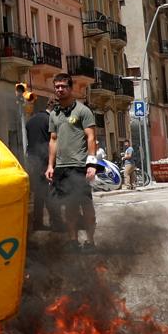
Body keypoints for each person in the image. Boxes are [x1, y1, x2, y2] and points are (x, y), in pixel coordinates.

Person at [46, 72, 98, 252]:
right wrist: (50, 165)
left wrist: (91, 164)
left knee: (85, 203)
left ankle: (90, 241)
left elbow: (91, 138)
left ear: (71, 88)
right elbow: (53, 140)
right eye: (57, 87)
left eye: (63, 86)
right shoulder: (54, 114)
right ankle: (73, 241)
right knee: (69, 206)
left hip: (79, 166)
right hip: (61, 167)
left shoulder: (83, 111)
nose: (60, 89)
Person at [25, 106, 52, 230]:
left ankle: (38, 222)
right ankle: (54, 221)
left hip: (33, 160)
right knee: (50, 192)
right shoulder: (49, 120)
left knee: (39, 194)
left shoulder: (30, 121)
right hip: (45, 160)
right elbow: (53, 142)